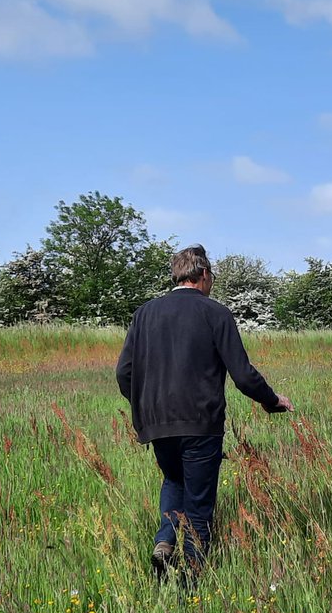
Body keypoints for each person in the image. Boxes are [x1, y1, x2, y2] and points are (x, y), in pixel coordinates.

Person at [116, 244, 292, 578]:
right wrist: (272, 400)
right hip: (200, 422)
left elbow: (124, 372)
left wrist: (144, 406)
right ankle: (190, 581)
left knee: (173, 479)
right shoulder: (215, 313)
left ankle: (165, 542)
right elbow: (243, 375)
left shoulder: (144, 314)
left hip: (156, 422)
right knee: (199, 505)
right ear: (205, 275)